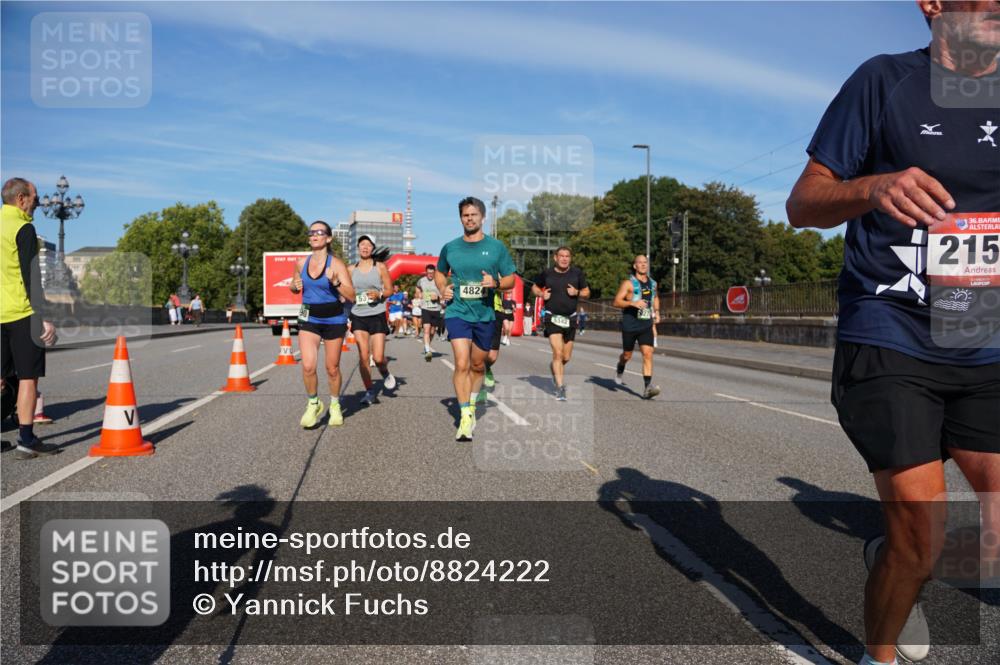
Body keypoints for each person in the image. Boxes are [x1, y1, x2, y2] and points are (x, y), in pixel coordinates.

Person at [786, 5, 1000, 664]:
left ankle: (901, 558)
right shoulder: (884, 82)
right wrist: (876, 187)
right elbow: (803, 204)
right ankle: (876, 652)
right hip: (892, 324)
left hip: (981, 331)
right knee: (923, 532)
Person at [435, 196, 516, 441]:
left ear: (482, 217)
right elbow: (440, 272)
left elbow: (512, 279)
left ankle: (471, 401)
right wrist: (443, 288)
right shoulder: (451, 247)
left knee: (478, 365)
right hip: (457, 311)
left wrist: (497, 283)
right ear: (460, 218)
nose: (469, 219)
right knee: (461, 363)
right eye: (465, 215)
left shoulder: (496, 247)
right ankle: (466, 414)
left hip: (485, 313)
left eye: (473, 215)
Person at [1, 177, 59, 458]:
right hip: (21, 313)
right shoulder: (23, 228)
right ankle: (25, 438)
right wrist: (44, 317)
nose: (38, 201)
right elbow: (30, 276)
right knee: (27, 377)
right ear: (21, 199)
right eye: (35, 197)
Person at [290, 220, 355, 428]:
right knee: (308, 366)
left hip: (334, 319)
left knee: (332, 368)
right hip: (309, 317)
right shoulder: (301, 264)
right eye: (311, 233)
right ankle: (313, 403)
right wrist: (294, 286)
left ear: (328, 238)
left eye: (319, 232)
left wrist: (336, 282)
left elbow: (352, 295)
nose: (314, 235)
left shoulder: (336, 264)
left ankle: (335, 404)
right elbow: (294, 286)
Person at [532, 247, 590, 401]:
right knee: (557, 353)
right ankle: (559, 387)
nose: (564, 259)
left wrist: (576, 292)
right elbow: (534, 287)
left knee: (566, 356)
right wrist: (541, 294)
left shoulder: (577, 273)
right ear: (555, 258)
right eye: (562, 256)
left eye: (567, 256)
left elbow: (586, 292)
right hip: (552, 317)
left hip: (570, 318)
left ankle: (555, 367)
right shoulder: (547, 273)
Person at [348, 234, 396, 406]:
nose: (365, 247)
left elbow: (390, 290)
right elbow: (345, 290)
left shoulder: (380, 267)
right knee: (363, 356)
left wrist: (380, 294)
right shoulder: (351, 269)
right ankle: (369, 391)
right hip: (358, 314)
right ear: (358, 247)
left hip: (377, 313)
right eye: (362, 244)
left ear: (373, 248)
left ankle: (385, 373)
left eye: (368, 244)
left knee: (378, 357)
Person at [612, 255, 661, 399]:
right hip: (630, 324)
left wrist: (657, 312)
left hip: (646, 324)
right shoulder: (628, 284)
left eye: (645, 262)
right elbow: (616, 302)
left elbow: (656, 297)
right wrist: (632, 303)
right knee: (627, 355)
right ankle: (620, 366)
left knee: (648, 354)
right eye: (640, 263)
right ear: (635, 266)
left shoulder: (653, 284)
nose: (643, 265)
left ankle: (647, 388)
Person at [416, 264, 442, 361]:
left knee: (432, 331)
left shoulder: (439, 281)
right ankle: (427, 350)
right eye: (428, 273)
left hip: (436, 308)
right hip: (425, 308)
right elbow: (418, 287)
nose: (430, 275)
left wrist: (438, 297)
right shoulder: (421, 280)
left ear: (434, 272)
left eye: (432, 273)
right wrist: (419, 294)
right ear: (426, 272)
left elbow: (444, 293)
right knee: (426, 329)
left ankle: (427, 345)